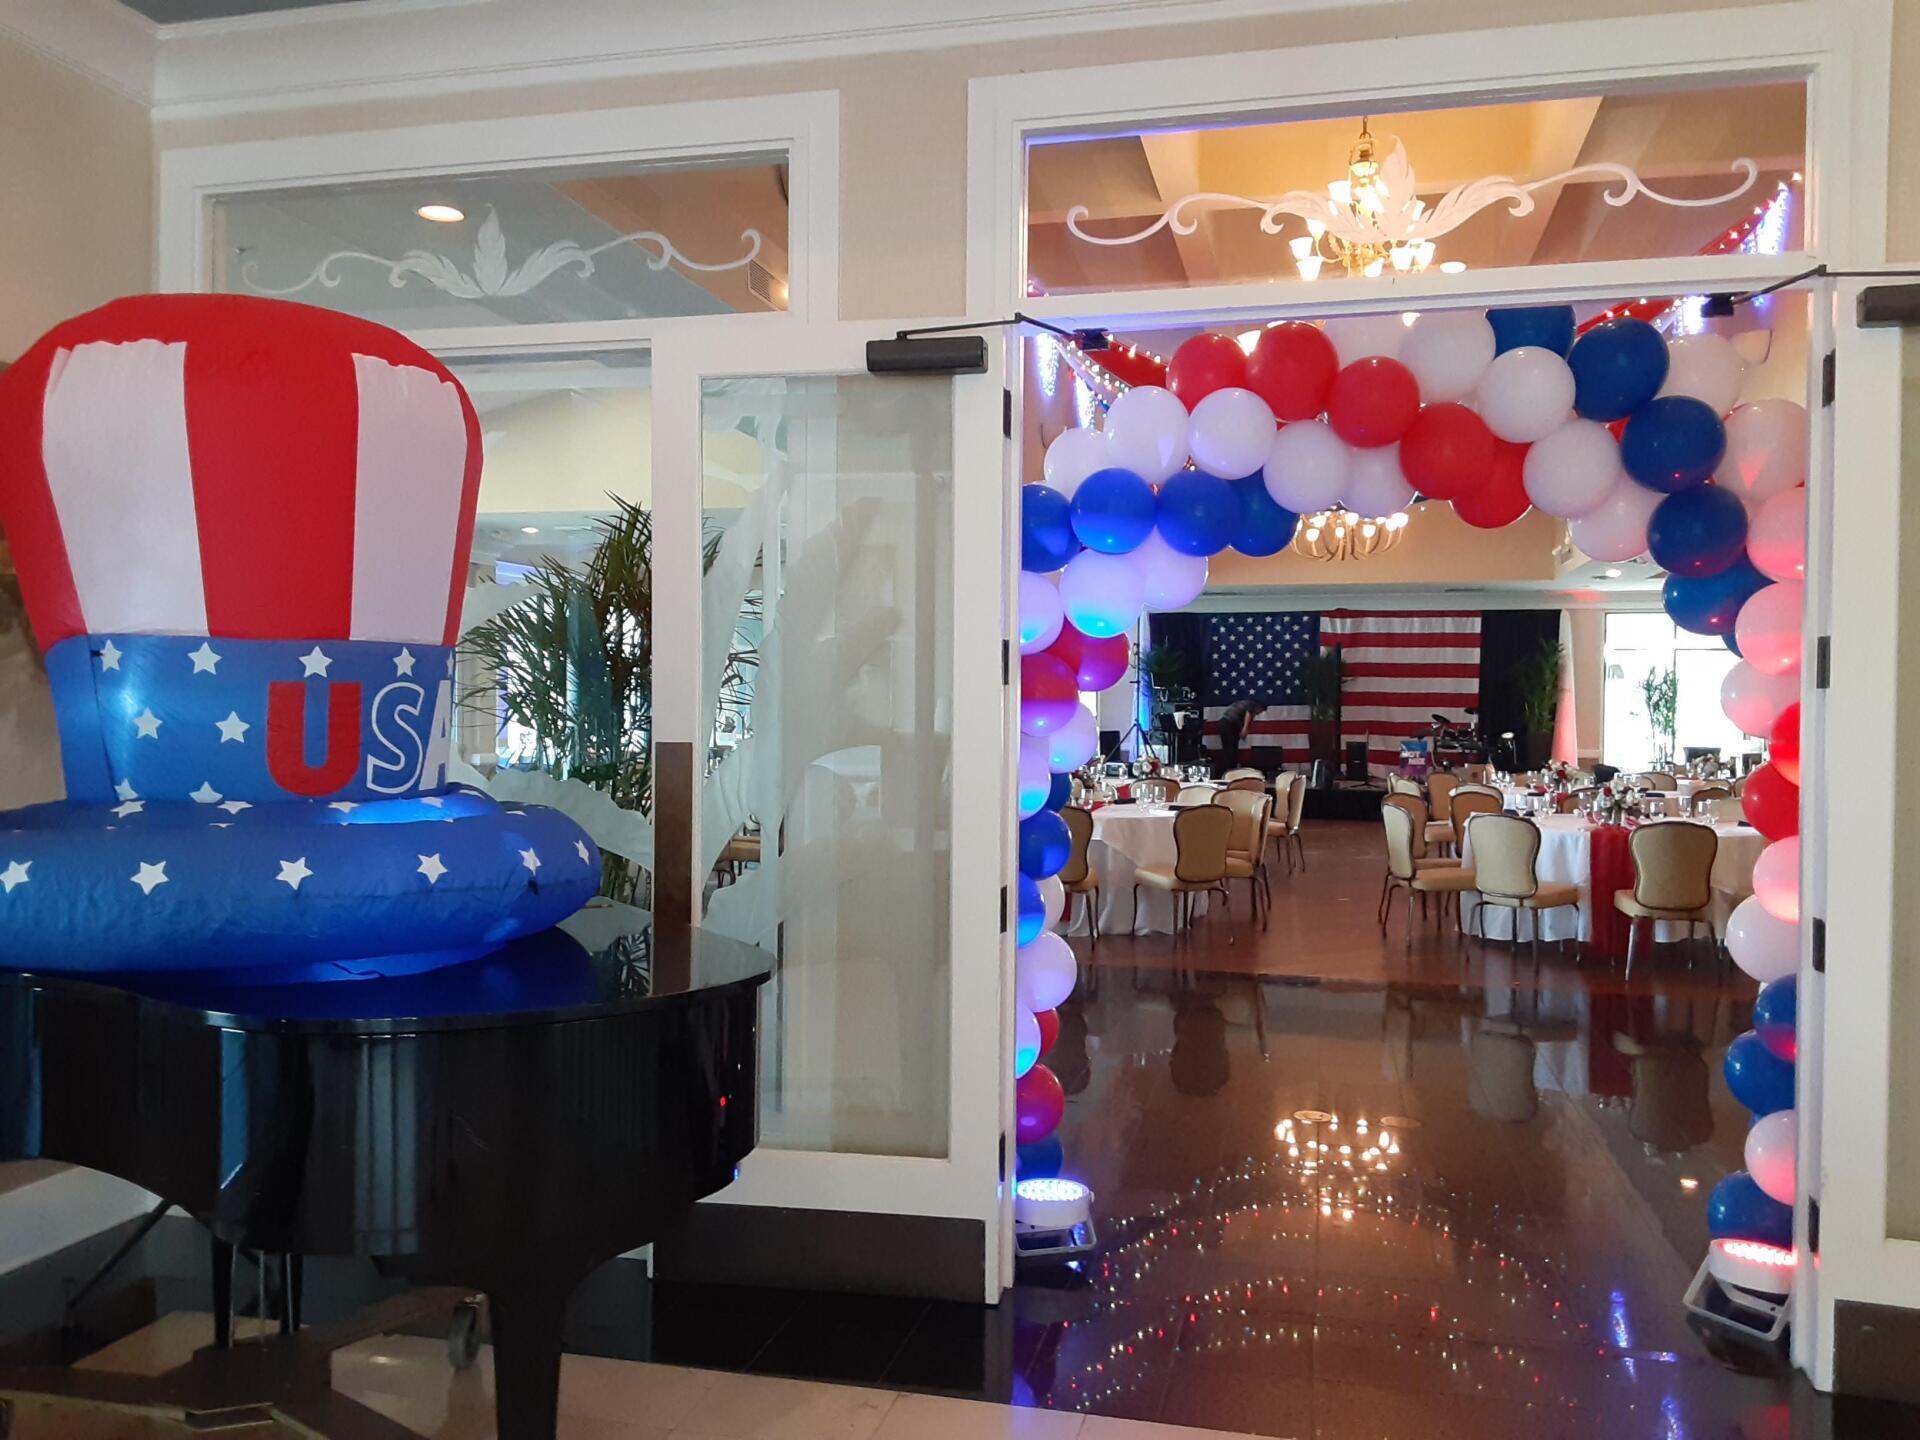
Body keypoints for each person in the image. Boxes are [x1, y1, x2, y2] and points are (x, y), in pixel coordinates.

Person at [1214, 698, 1261, 776]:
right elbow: (1248, 714)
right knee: (1232, 750)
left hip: (1222, 723)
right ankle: (1232, 771)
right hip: (1229, 724)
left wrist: (1244, 730)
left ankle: (1227, 771)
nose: (1259, 713)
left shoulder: (1242, 704)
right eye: (1260, 711)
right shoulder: (1251, 704)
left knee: (1227, 750)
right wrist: (1244, 729)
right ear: (1259, 707)